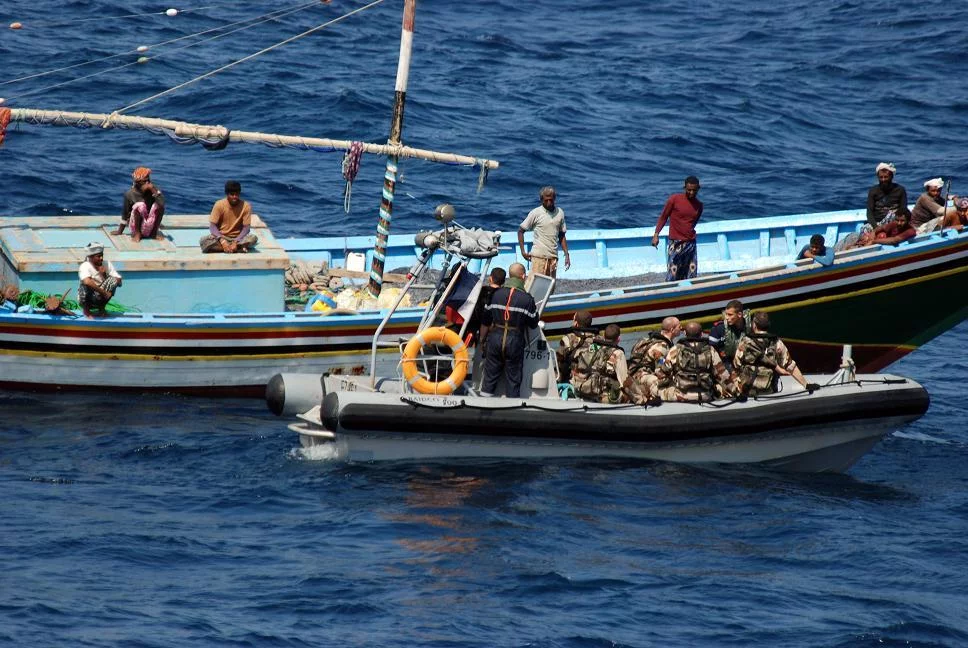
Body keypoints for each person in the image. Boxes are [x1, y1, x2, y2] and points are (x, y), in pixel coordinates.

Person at [479, 263, 539, 398]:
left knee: (489, 379)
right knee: (513, 380)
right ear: (523, 276)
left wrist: (482, 341)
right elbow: (533, 323)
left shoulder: (495, 295)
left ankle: (482, 408)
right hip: (514, 340)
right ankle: (513, 411)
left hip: (495, 338)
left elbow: (486, 320)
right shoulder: (527, 299)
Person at [733, 311, 812, 396]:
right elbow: (790, 366)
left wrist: (737, 390)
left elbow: (736, 365)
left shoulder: (745, 342)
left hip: (748, 392)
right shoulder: (777, 342)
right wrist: (806, 385)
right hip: (769, 392)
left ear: (754, 325)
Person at [654, 321, 734, 402]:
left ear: (685, 333)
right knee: (720, 387)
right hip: (706, 395)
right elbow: (722, 374)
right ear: (702, 334)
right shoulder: (710, 350)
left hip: (681, 396)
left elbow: (664, 372)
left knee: (654, 387)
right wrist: (735, 390)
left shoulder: (675, 350)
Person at [652, 175, 703, 281]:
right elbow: (663, 217)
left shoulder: (699, 206)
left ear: (698, 189)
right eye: (689, 190)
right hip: (675, 244)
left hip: (691, 244)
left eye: (694, 190)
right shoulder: (674, 199)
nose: (691, 193)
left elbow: (693, 224)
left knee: (690, 276)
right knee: (672, 275)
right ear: (684, 188)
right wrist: (656, 234)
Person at [623, 316, 680, 405]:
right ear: (672, 329)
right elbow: (660, 370)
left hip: (632, 374)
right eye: (679, 327)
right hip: (643, 376)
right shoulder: (662, 346)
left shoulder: (648, 339)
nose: (681, 328)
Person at [518, 186, 570, 278]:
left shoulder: (560, 213)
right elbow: (521, 231)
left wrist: (566, 254)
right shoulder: (535, 213)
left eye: (551, 200)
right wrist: (523, 251)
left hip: (553, 257)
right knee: (534, 285)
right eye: (546, 200)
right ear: (541, 200)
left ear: (554, 198)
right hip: (538, 256)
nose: (549, 203)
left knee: (549, 286)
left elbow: (562, 235)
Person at [570, 323, 629, 404]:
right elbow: (624, 381)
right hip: (601, 396)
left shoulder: (593, 347)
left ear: (603, 336)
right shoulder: (618, 353)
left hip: (584, 390)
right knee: (627, 396)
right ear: (618, 339)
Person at [200, 180, 259, 253]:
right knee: (203, 241)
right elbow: (212, 226)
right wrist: (222, 240)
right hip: (222, 236)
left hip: (239, 238)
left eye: (237, 194)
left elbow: (246, 228)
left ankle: (230, 247)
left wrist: (236, 241)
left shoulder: (246, 206)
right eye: (232, 194)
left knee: (253, 238)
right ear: (227, 194)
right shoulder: (219, 204)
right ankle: (236, 248)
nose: (235, 197)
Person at [116, 166, 165, 242]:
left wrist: (153, 190)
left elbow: (162, 204)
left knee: (159, 206)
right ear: (138, 183)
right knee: (140, 206)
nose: (148, 183)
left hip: (149, 226)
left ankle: (153, 233)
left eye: (148, 180)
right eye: (145, 181)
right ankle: (137, 234)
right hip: (135, 227)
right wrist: (119, 231)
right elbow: (125, 214)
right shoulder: (130, 194)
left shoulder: (153, 189)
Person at [78, 242, 122, 318]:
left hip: (101, 296)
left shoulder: (106, 264)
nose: (101, 258)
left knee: (113, 280)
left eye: (102, 256)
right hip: (88, 297)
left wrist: (105, 275)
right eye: (98, 256)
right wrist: (104, 292)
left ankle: (101, 308)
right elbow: (87, 281)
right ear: (91, 257)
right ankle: (87, 311)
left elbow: (119, 281)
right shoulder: (85, 266)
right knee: (85, 285)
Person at [555, 310, 597, 383]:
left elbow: (559, 362)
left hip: (574, 382)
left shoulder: (568, 339)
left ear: (576, 323)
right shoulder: (598, 339)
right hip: (594, 383)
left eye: (573, 319)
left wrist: (557, 381)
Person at [708, 299, 752, 369]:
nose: (726, 318)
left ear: (739, 314)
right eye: (726, 314)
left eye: (730, 315)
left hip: (746, 364)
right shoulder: (718, 329)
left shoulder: (751, 327)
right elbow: (711, 353)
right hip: (724, 366)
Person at [866, 162, 907, 227]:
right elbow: (869, 213)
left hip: (895, 223)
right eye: (881, 177)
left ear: (891, 176)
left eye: (886, 177)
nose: (883, 180)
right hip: (877, 223)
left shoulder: (900, 190)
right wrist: (876, 227)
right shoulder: (873, 191)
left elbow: (903, 209)